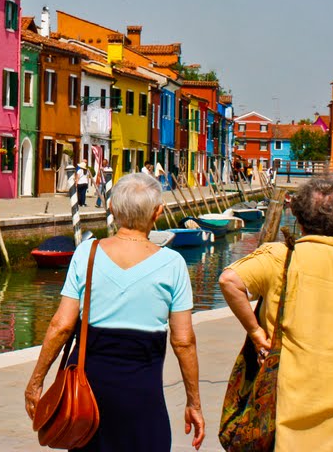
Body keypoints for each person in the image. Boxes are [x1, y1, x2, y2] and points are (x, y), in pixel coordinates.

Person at [218, 177, 333, 451]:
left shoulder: (279, 256)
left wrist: (257, 333)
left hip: (278, 411)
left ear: (299, 217)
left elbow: (229, 281)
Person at [25, 173, 205, 450]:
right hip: (142, 397)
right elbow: (183, 341)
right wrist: (193, 402)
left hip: (87, 400)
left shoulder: (87, 253)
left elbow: (61, 325)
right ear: (158, 212)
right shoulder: (173, 265)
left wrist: (36, 383)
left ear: (112, 209)